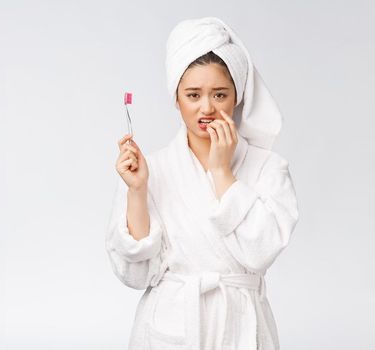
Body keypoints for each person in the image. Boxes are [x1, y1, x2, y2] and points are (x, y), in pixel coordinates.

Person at [105, 17, 299, 350]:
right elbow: (137, 276)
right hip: (171, 329)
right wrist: (137, 191)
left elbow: (261, 253)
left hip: (241, 328)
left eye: (219, 94)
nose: (206, 108)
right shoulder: (152, 169)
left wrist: (222, 173)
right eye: (193, 94)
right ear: (176, 99)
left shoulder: (269, 168)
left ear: (237, 98)